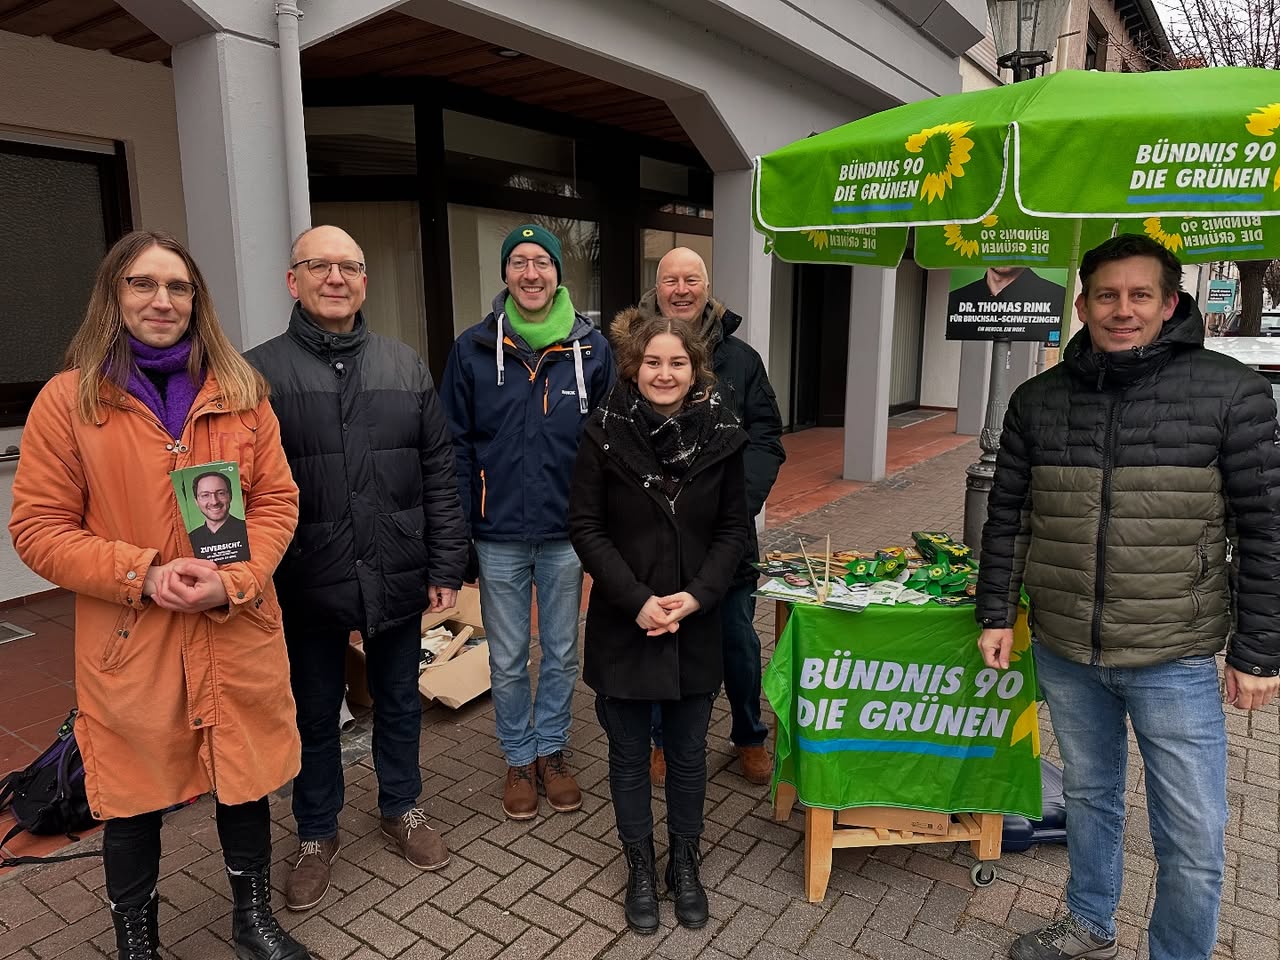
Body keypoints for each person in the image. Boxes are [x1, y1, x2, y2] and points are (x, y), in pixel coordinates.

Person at [975, 234, 1280, 960]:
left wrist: (1259, 650)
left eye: (1140, 295)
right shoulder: (1037, 399)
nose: (1122, 310)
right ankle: (1089, 921)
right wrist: (995, 610)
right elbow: (1008, 514)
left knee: (1194, 829)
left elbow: (1266, 526)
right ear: (1081, 304)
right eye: (1106, 295)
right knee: (1088, 797)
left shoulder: (1229, 392)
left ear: (1170, 302)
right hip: (1066, 645)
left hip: (1173, 653)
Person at [9, 230, 309, 960]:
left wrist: (232, 580)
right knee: (131, 794)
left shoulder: (240, 392)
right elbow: (38, 528)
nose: (162, 300)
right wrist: (139, 573)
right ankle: (136, 942)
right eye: (143, 284)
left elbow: (276, 503)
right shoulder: (68, 402)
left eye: (178, 287)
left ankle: (253, 919)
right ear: (114, 295)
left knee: (244, 781)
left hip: (233, 622)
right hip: (131, 636)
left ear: (196, 301)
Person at [245, 225, 469, 911]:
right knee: (314, 712)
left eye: (350, 266)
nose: (335, 277)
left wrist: (446, 562)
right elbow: (241, 484)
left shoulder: (404, 366)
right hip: (304, 577)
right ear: (293, 281)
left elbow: (440, 472)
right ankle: (316, 832)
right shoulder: (256, 374)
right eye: (319, 266)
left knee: (401, 702)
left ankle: (402, 807)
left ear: (365, 281)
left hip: (398, 569)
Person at [568, 309, 748, 935]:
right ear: (633, 368)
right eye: (652, 362)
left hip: (695, 621)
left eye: (677, 362)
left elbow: (732, 531)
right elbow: (585, 526)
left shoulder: (725, 434)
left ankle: (686, 862)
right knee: (625, 754)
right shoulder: (604, 434)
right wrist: (635, 598)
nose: (664, 373)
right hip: (626, 621)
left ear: (695, 369)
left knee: (690, 752)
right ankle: (641, 864)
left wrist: (697, 597)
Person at [441, 224, 613, 821]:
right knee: (509, 656)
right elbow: (455, 446)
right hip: (498, 535)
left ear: (560, 273)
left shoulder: (593, 349)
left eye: (542, 261)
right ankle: (519, 756)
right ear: (505, 274)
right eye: (519, 262)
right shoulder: (470, 349)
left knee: (563, 651)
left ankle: (553, 750)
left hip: (568, 533)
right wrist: (459, 531)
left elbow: (610, 445)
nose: (531, 273)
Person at [638, 247, 785, 787]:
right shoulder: (637, 358)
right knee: (660, 638)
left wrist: (735, 505)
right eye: (669, 279)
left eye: (691, 279)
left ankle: (748, 735)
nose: (681, 288)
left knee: (737, 642)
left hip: (727, 538)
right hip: (657, 537)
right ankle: (659, 742)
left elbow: (767, 437)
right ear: (656, 289)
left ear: (707, 287)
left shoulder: (742, 361)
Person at [187, 470, 250, 560]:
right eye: (205, 495)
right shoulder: (190, 539)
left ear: (230, 496)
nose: (214, 501)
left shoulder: (249, 530)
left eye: (221, 493)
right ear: (196, 501)